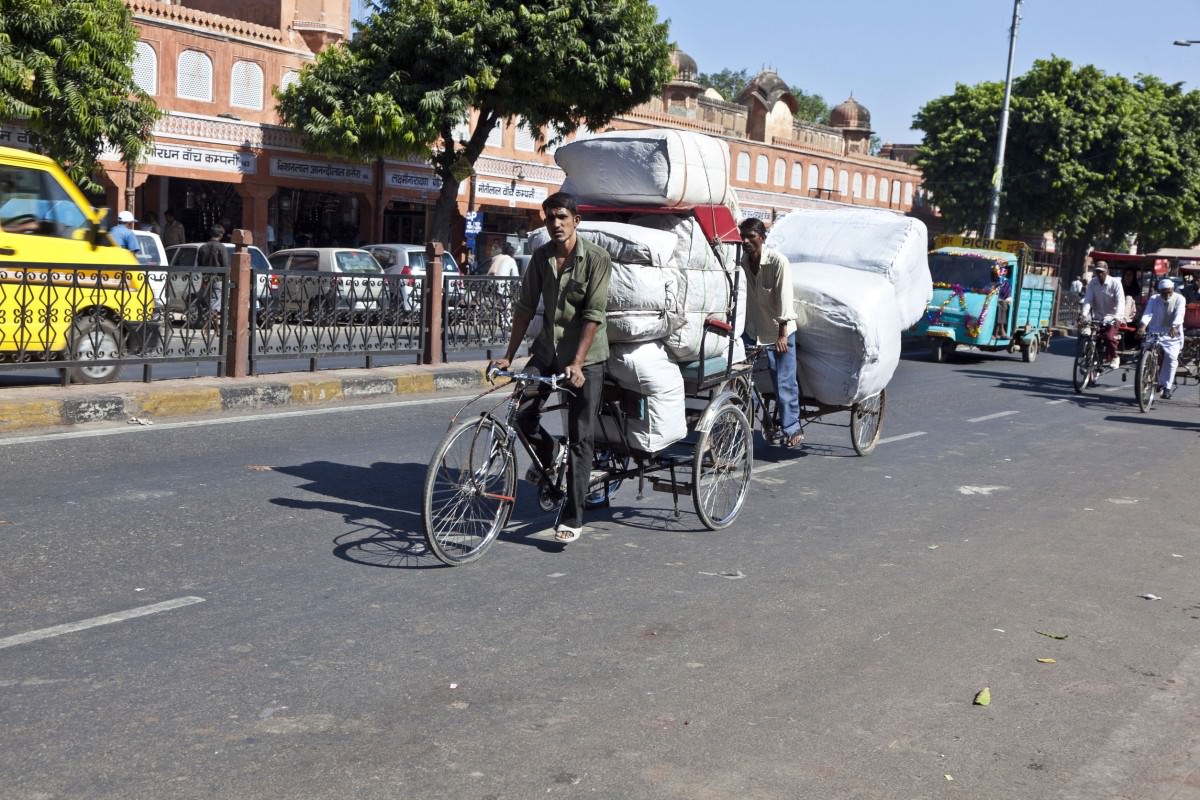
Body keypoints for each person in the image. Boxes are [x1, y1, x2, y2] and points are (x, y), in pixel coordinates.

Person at [490, 192, 611, 544]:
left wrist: (577, 362)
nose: (554, 224)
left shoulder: (597, 259)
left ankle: (573, 514)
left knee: (580, 437)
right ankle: (550, 454)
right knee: (522, 413)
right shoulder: (541, 258)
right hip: (547, 351)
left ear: (576, 220)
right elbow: (525, 308)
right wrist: (508, 356)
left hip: (586, 358)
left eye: (561, 217)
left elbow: (593, 314)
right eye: (549, 218)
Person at [738, 217, 803, 449]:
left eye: (750, 236)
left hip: (779, 332)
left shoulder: (777, 262)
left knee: (784, 381)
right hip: (752, 330)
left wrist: (783, 334)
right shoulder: (742, 262)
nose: (745, 241)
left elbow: (785, 300)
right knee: (739, 377)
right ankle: (755, 420)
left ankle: (792, 427)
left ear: (762, 238)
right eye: (742, 236)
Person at [1137, 278, 1187, 399]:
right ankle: (1147, 372)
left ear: (1173, 290)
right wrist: (1142, 326)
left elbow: (1180, 314)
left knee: (1171, 358)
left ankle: (1167, 386)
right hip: (1155, 331)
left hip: (1172, 333)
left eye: (1169, 292)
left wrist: (1174, 326)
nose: (1166, 295)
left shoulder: (1180, 299)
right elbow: (1148, 313)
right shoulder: (1154, 299)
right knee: (1145, 350)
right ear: (1159, 292)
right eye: (1163, 292)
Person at [1080, 260, 1125, 370]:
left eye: (1102, 272)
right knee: (1091, 336)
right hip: (1098, 317)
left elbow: (1121, 302)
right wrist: (1083, 314)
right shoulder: (1092, 283)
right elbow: (1088, 300)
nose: (1099, 274)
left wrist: (1118, 317)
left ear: (1107, 272)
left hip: (1112, 317)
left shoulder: (1115, 283)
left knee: (1109, 337)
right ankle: (1091, 357)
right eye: (1097, 271)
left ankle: (1115, 356)